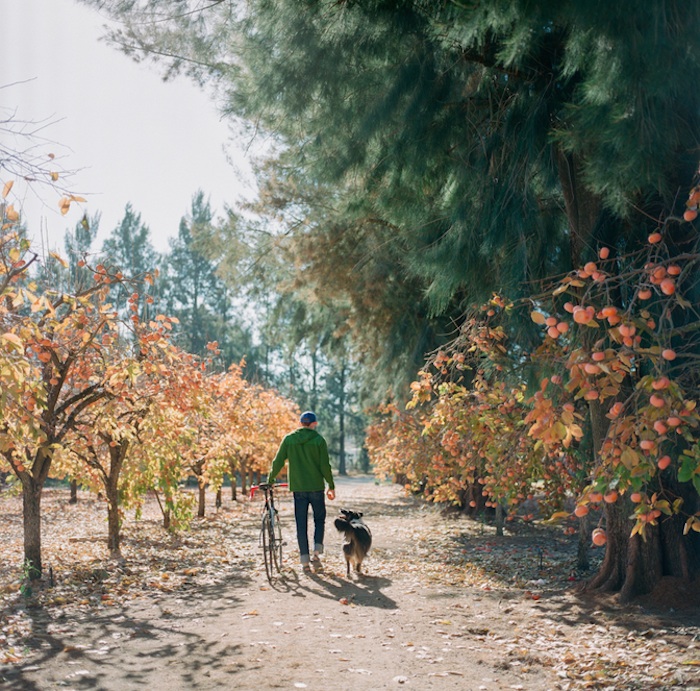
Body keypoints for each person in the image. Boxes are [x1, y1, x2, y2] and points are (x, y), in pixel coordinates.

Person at [267, 410, 336, 571]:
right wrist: (331, 485)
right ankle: (317, 551)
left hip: (298, 489)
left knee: (301, 523)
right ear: (314, 424)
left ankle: (304, 559)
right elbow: (325, 466)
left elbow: (278, 462)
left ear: (300, 423)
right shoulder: (319, 440)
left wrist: (270, 479)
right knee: (319, 519)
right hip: (316, 487)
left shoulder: (289, 439)